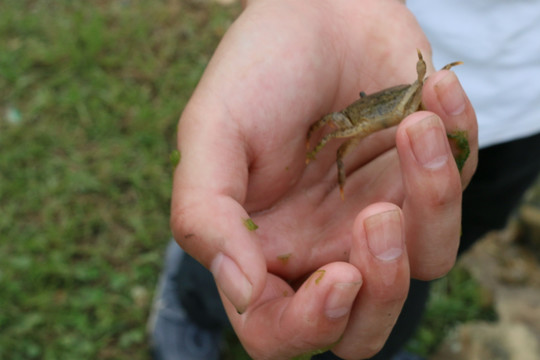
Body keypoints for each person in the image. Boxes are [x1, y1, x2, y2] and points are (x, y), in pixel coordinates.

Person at [148, 0, 540, 359]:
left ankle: (371, 346)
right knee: (253, 216)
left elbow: (422, 81)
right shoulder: (349, 113)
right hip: (366, 34)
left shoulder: (417, 96)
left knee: (425, 244)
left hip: (525, 103)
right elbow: (329, 133)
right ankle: (192, 307)